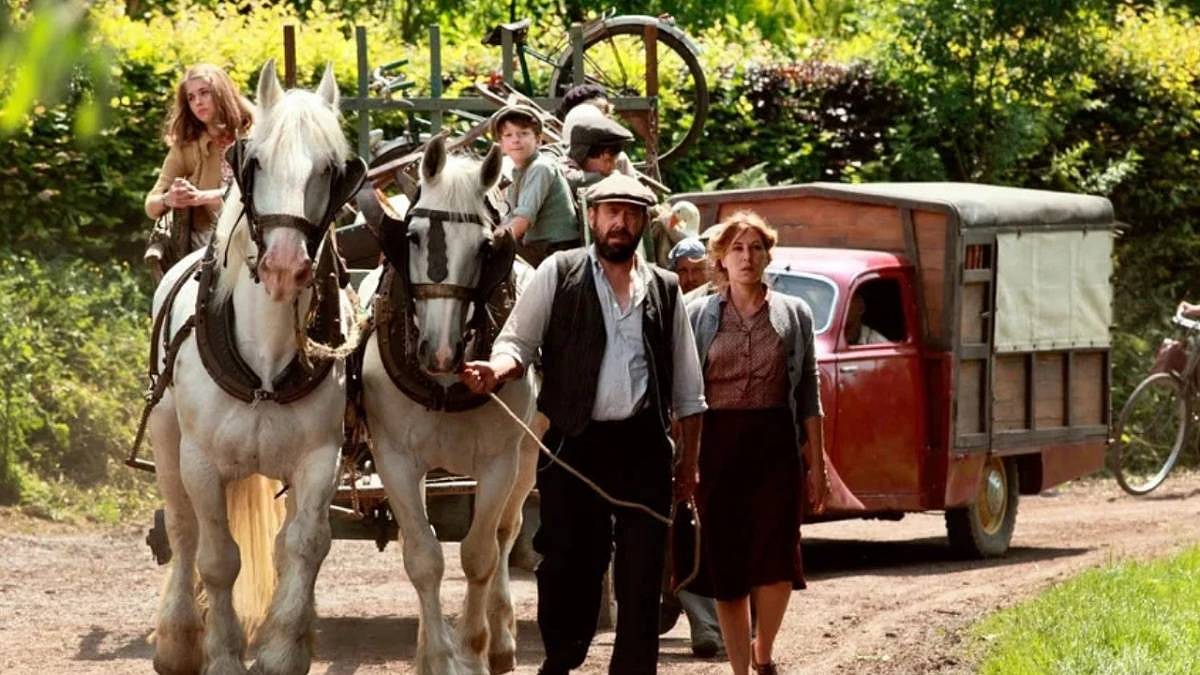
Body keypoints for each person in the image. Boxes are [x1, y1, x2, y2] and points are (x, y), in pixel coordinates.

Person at [459, 173, 707, 674]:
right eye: (612, 211)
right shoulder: (560, 272)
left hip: (643, 448)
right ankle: (561, 661)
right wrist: (497, 369)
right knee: (568, 564)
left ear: (643, 222)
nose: (621, 222)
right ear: (592, 217)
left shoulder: (664, 288)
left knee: (642, 576)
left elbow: (688, 388)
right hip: (573, 446)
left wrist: (689, 465)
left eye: (631, 213)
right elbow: (517, 343)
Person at [686, 210, 828, 675]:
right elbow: (682, 393)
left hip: (775, 445)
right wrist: (684, 459)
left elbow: (808, 393)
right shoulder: (697, 314)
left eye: (756, 248)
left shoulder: (793, 313)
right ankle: (740, 670)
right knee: (725, 565)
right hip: (717, 444)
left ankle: (763, 651)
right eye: (737, 249)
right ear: (721, 259)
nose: (747, 257)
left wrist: (818, 465)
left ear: (768, 256)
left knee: (777, 560)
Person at [144, 63, 252, 277]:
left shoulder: (252, 134)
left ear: (221, 92)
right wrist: (169, 199)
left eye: (204, 93)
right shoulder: (186, 146)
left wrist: (203, 196)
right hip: (206, 244)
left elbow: (257, 190)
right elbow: (151, 205)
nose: (198, 102)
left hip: (254, 234)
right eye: (191, 97)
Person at [491, 104, 582, 267]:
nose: (516, 140)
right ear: (501, 145)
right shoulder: (517, 171)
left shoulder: (540, 167)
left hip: (555, 250)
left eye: (523, 133)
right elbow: (510, 218)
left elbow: (522, 221)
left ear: (538, 140)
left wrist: (490, 242)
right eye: (508, 135)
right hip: (537, 247)